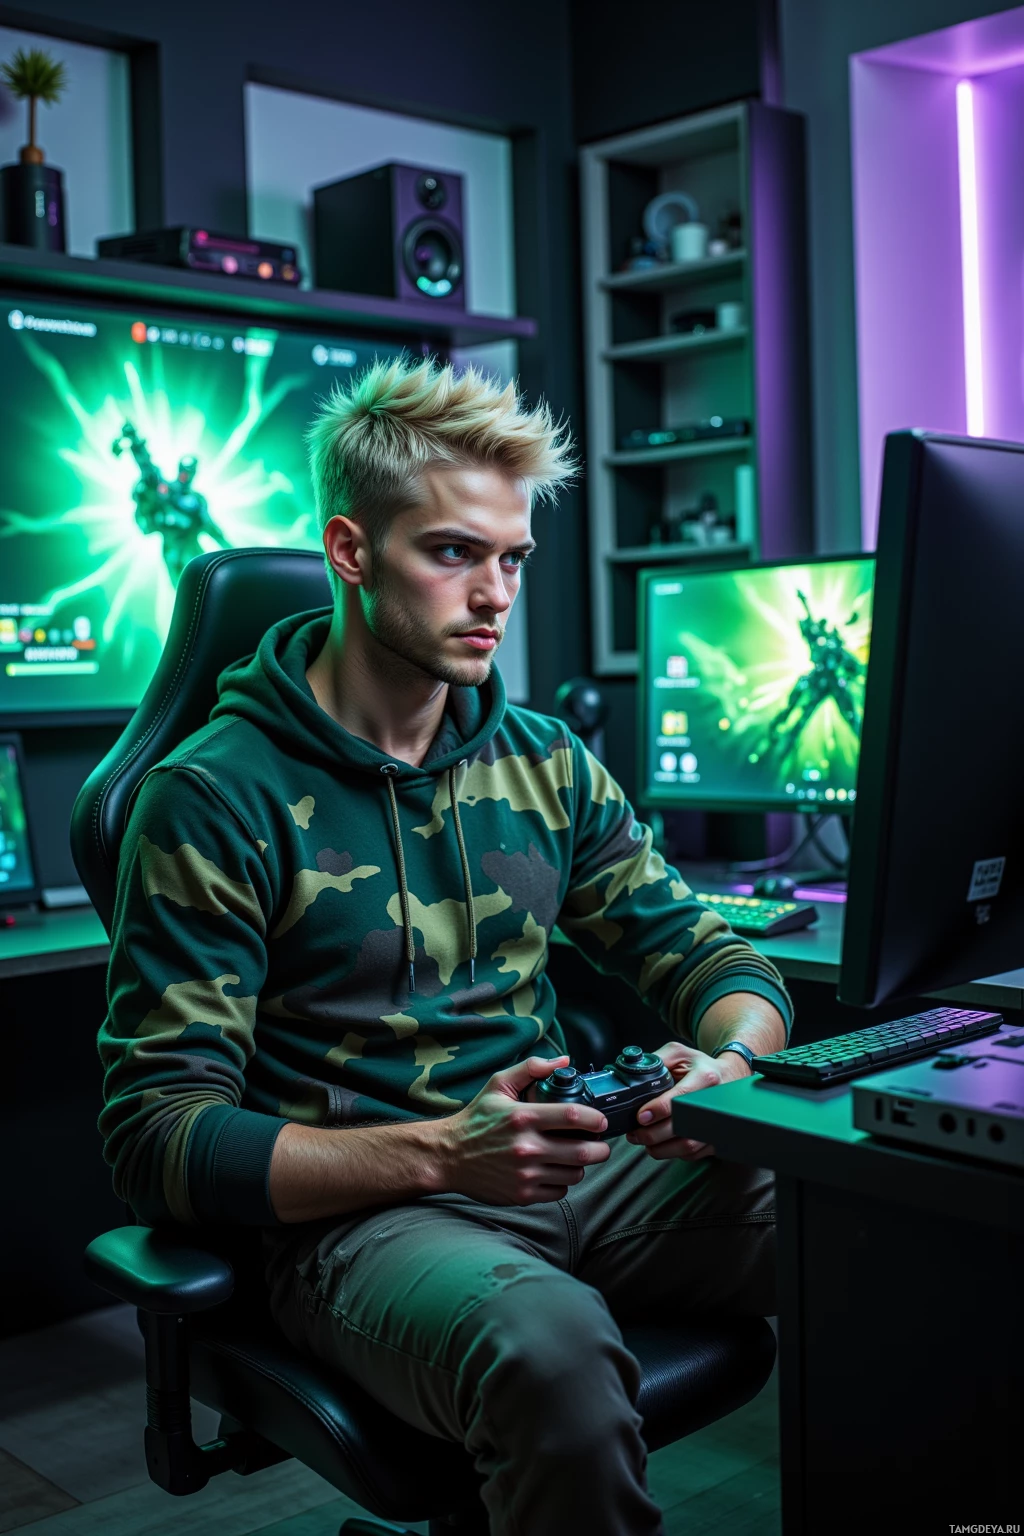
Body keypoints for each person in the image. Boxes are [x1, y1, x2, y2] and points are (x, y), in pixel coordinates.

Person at [98, 357, 791, 1536]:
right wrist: (438, 1154)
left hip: (577, 1166)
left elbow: (712, 959)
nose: (494, 594)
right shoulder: (212, 795)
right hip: (365, 1219)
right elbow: (159, 1136)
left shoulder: (543, 759)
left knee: (901, 1210)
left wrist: (730, 1062)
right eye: (453, 553)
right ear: (352, 552)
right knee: (551, 1354)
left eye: (511, 557)